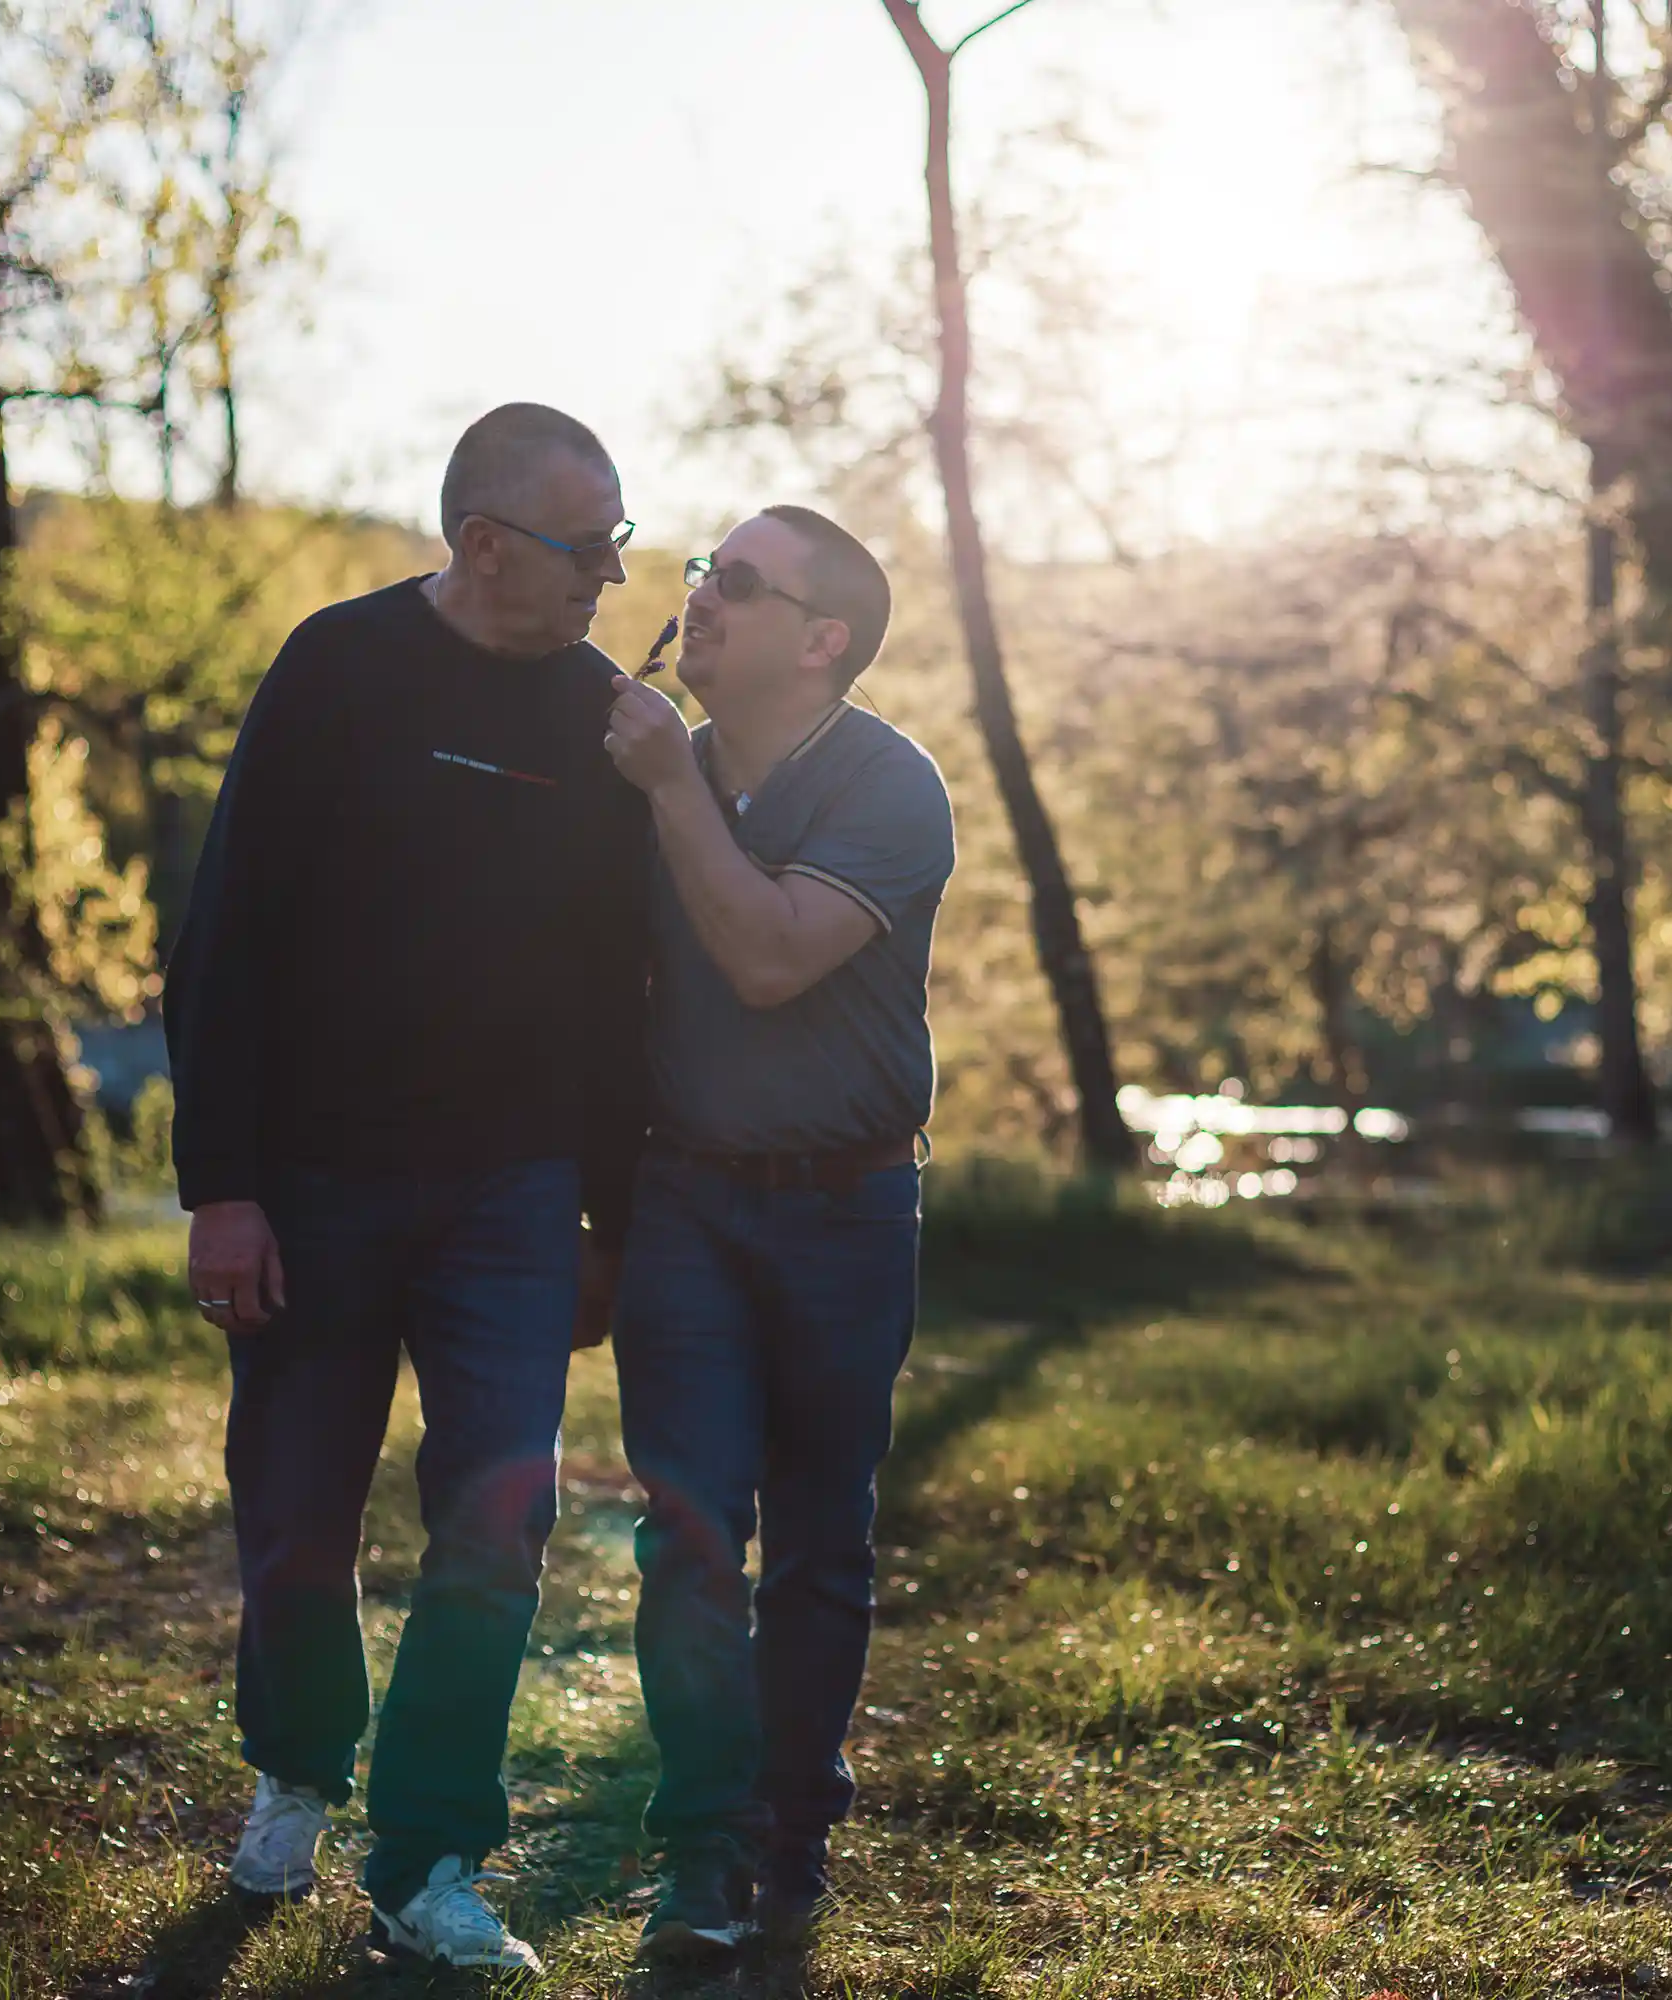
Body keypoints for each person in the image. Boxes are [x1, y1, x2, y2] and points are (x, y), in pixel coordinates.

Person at [164, 403, 648, 1972]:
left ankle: (432, 1855)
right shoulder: (338, 667)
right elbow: (225, 934)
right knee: (294, 1509)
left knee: (498, 1525)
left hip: (513, 1195)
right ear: (484, 542)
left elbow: (616, 993)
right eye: (590, 548)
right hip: (313, 1182)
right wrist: (223, 1186)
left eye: (625, 542)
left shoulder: (599, 715)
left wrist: (608, 1223)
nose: (616, 577)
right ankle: (298, 1771)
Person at [597, 506, 954, 1963]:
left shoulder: (889, 786)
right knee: (687, 1539)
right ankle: (701, 1851)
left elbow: (762, 959)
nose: (698, 599)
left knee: (819, 1543)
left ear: (822, 642)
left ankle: (789, 1837)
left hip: (848, 1207)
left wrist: (670, 786)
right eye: (698, 573)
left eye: (735, 584)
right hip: (680, 1197)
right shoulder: (631, 774)